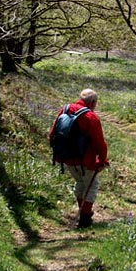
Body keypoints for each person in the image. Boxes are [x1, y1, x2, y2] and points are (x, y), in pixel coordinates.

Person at [49, 89, 109, 228]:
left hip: (68, 157)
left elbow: (53, 133)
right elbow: (100, 143)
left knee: (80, 183)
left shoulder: (65, 109)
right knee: (91, 186)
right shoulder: (91, 117)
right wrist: (102, 160)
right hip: (86, 160)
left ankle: (83, 211)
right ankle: (85, 218)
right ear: (93, 102)